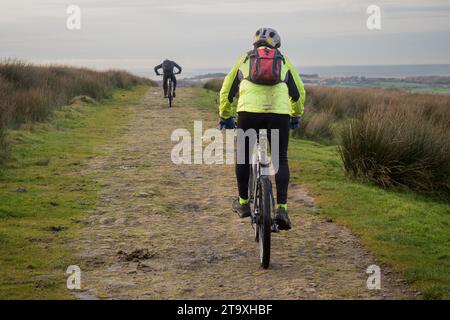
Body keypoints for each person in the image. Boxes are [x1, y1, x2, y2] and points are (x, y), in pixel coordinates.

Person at [218, 27, 305, 230]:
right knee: (279, 158)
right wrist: (296, 114)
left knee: (243, 156)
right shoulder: (284, 61)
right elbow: (299, 92)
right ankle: (282, 209)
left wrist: (225, 115)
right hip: (279, 114)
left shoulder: (244, 59)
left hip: (248, 114)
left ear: (255, 43)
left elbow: (226, 90)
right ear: (276, 45)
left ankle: (242, 203)